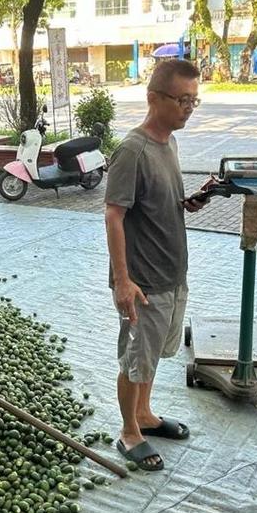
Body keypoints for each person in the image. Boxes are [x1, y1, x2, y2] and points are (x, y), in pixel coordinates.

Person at [104, 59, 207, 472]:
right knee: (135, 359)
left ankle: (146, 414)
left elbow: (155, 201)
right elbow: (114, 215)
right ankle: (130, 431)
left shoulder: (169, 144)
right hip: (143, 281)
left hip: (171, 274)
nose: (188, 108)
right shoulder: (133, 150)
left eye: (194, 101)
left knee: (153, 357)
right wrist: (123, 281)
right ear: (154, 98)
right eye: (182, 99)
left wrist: (187, 203)